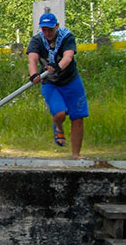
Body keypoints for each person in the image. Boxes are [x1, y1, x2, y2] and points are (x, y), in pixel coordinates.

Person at [27, 13, 89, 159]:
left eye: (50, 29)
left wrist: (58, 66)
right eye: (44, 30)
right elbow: (32, 60)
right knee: (59, 113)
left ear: (56, 26)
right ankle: (58, 126)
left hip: (71, 81)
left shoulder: (67, 37)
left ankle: (76, 155)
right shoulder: (36, 40)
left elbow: (68, 56)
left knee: (78, 117)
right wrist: (34, 74)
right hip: (50, 83)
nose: (47, 33)